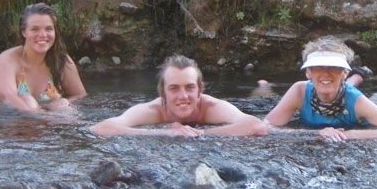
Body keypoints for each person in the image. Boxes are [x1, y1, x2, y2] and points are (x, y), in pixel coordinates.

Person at [264, 36, 377, 141]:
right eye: (318, 67)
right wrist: (317, 133)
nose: (325, 72)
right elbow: (266, 128)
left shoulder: (357, 101)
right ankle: (358, 77)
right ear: (308, 72)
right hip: (342, 91)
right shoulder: (299, 91)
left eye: (334, 67)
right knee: (332, 83)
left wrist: (349, 135)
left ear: (344, 72)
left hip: (354, 106)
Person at [90, 55, 268, 137]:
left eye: (190, 87)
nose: (183, 96)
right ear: (162, 93)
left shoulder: (211, 107)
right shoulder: (154, 110)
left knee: (262, 97)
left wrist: (201, 133)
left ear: (200, 91)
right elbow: (101, 128)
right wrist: (164, 133)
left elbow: (257, 126)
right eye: (174, 88)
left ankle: (264, 87)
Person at [0, 3, 86, 112]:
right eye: (35, 29)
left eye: (49, 29)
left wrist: (56, 105)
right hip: (12, 121)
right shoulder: (7, 60)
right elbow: (8, 97)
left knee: (62, 103)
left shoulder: (61, 60)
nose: (43, 35)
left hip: (50, 123)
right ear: (24, 32)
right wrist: (38, 114)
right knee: (27, 100)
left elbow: (80, 96)